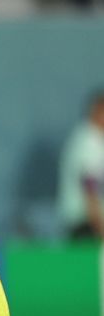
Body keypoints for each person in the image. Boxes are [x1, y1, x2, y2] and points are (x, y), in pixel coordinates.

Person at [57, 89, 104, 240]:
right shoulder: (89, 141)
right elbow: (89, 185)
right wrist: (99, 226)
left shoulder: (92, 139)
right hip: (85, 224)